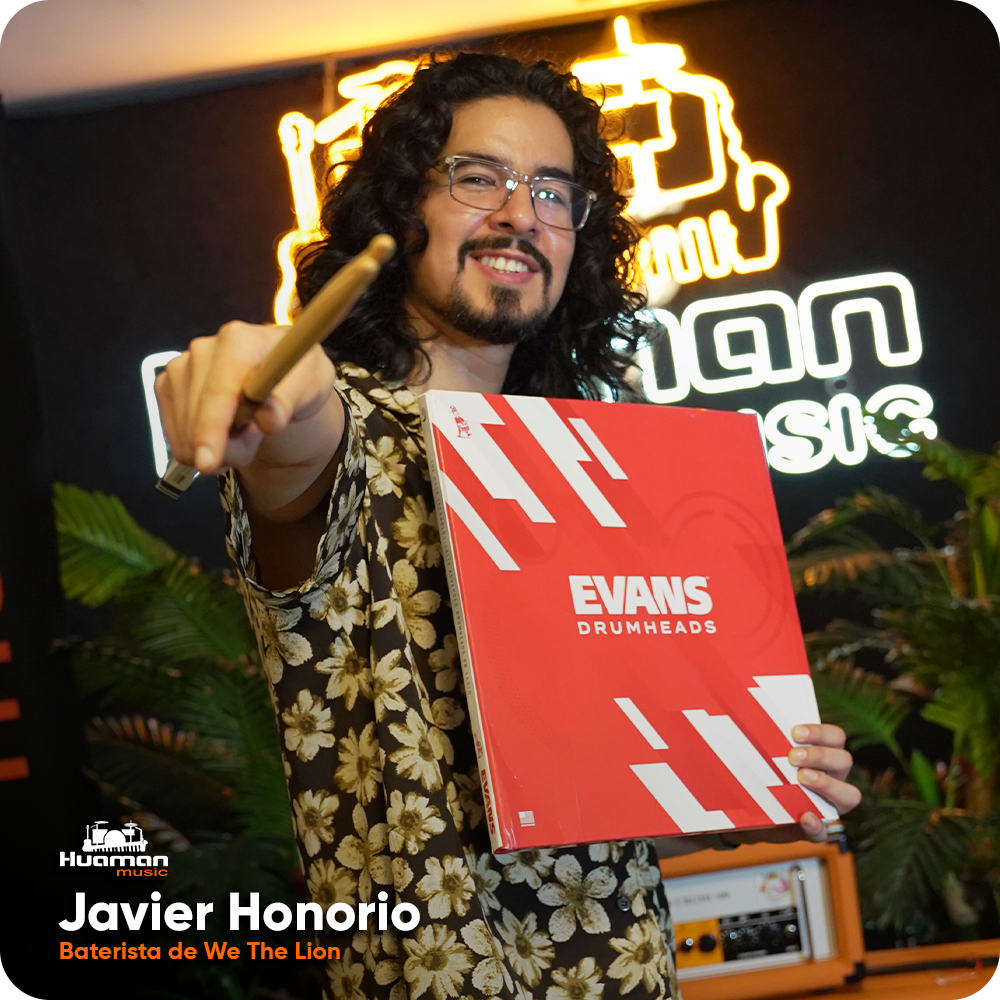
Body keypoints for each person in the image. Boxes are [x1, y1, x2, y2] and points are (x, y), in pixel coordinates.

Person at [155, 53, 861, 1000]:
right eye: (478, 177)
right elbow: (294, 426)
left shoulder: (585, 474)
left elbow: (578, 813)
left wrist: (740, 794)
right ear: (402, 209)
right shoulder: (351, 433)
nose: (522, 213)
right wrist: (262, 371)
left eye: (552, 192)